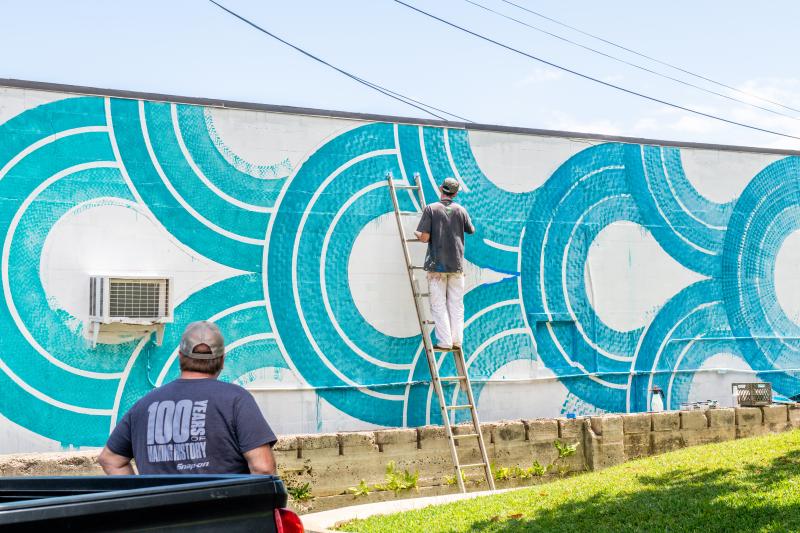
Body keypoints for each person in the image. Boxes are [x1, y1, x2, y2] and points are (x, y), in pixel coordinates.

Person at [98, 321, 277, 475]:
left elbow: (110, 459)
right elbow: (263, 468)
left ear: (180, 357)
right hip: (222, 513)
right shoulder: (236, 400)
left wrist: (141, 499)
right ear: (222, 360)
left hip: (161, 515)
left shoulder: (144, 405)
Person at [415, 177, 475, 350]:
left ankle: (445, 341)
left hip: (437, 266)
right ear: (455, 193)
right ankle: (457, 340)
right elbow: (471, 230)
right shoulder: (461, 210)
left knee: (438, 304)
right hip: (456, 266)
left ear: (441, 189)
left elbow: (425, 237)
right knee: (456, 304)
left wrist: (417, 234)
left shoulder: (431, 209)